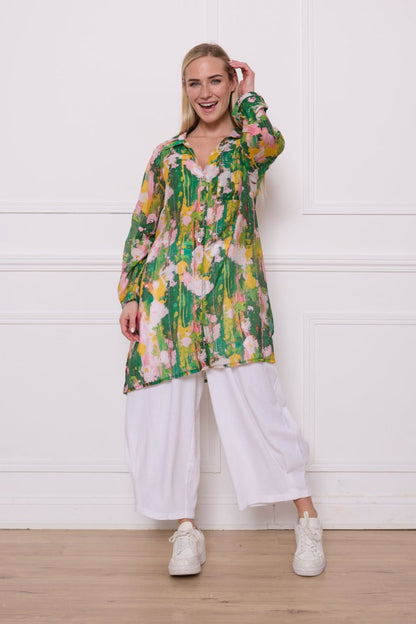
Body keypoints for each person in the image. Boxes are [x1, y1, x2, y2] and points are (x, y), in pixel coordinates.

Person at [118, 42, 326, 578]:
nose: (205, 92)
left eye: (216, 80)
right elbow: (144, 226)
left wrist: (252, 100)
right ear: (185, 90)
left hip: (236, 300)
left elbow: (271, 143)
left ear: (231, 84)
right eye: (195, 83)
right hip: (168, 304)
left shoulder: (248, 148)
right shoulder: (167, 155)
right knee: (165, 416)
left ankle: (307, 520)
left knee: (261, 406)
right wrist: (132, 294)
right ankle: (186, 531)